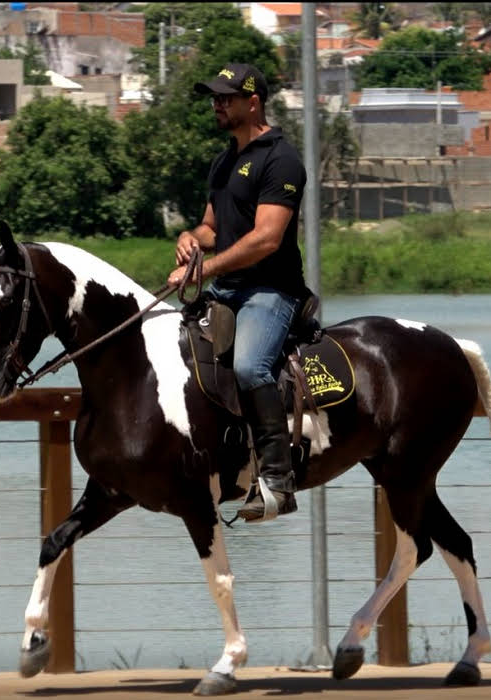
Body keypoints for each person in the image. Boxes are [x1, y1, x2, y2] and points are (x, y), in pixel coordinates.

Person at [168, 63, 308, 522]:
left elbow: (266, 238)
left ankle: (277, 482)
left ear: (254, 102)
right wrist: (191, 240)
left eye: (226, 97)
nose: (217, 104)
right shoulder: (225, 160)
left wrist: (203, 270)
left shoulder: (281, 160)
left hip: (270, 291)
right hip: (225, 291)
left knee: (250, 366)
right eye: (214, 97)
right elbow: (213, 228)